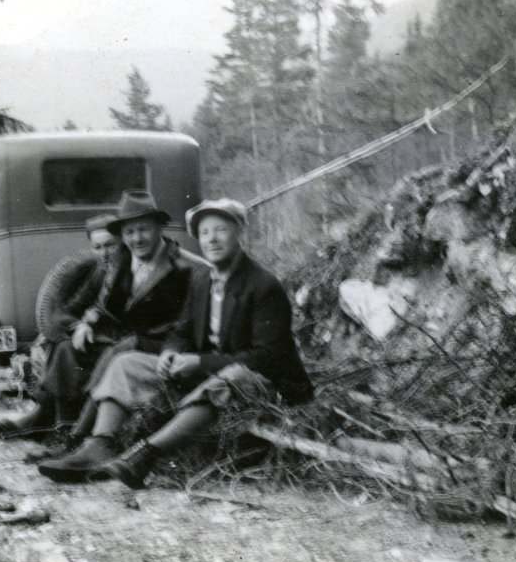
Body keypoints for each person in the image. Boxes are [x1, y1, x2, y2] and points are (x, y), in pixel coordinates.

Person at [37, 198, 314, 486]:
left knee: (228, 378)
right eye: (205, 233)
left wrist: (199, 362)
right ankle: (99, 446)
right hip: (209, 369)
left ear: (239, 232)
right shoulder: (202, 278)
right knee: (126, 363)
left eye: (221, 230)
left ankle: (145, 455)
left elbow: (268, 356)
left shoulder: (263, 285)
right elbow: (181, 331)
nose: (212, 239)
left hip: (265, 381)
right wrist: (171, 352)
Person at [1, 190, 202, 439]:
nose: (136, 238)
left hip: (154, 346)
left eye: (144, 230)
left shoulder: (183, 268)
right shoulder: (120, 263)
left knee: (114, 353)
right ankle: (56, 424)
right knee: (66, 347)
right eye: (129, 232)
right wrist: (83, 324)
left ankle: (77, 434)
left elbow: (183, 326)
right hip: (120, 339)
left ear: (160, 228)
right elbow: (91, 306)